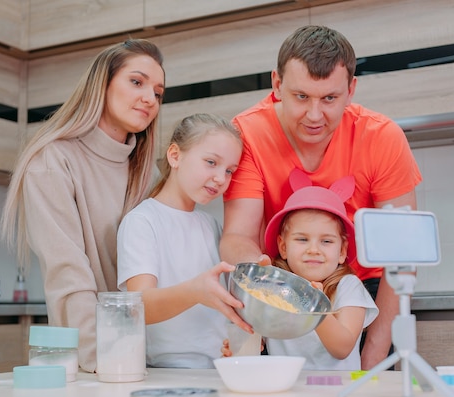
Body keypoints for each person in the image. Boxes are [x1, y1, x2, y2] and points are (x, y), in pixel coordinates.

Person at [219, 25, 422, 370]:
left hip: (361, 286)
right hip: (281, 284)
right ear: (277, 84)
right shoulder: (248, 133)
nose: (315, 115)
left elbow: (402, 256)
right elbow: (238, 236)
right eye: (301, 97)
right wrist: (268, 285)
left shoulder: (382, 137)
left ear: (351, 89)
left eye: (330, 98)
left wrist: (375, 348)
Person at [0, 39, 166, 373]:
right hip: (98, 361)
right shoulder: (51, 162)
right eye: (137, 82)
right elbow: (69, 276)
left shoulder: (146, 173)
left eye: (159, 92)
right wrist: (106, 360)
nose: (150, 99)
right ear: (101, 85)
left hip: (148, 359)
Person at [117, 113, 247, 369]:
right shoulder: (142, 221)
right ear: (175, 155)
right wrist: (195, 291)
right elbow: (139, 307)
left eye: (229, 170)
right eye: (211, 162)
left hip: (218, 370)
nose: (221, 178)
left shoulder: (211, 226)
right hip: (164, 373)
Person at [222, 169, 378, 370]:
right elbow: (255, 340)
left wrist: (316, 307)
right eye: (302, 239)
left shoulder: (348, 286)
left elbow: (342, 348)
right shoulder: (275, 292)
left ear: (342, 251)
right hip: (288, 389)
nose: (313, 250)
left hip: (336, 391)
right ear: (284, 247)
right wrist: (241, 349)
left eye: (326, 241)